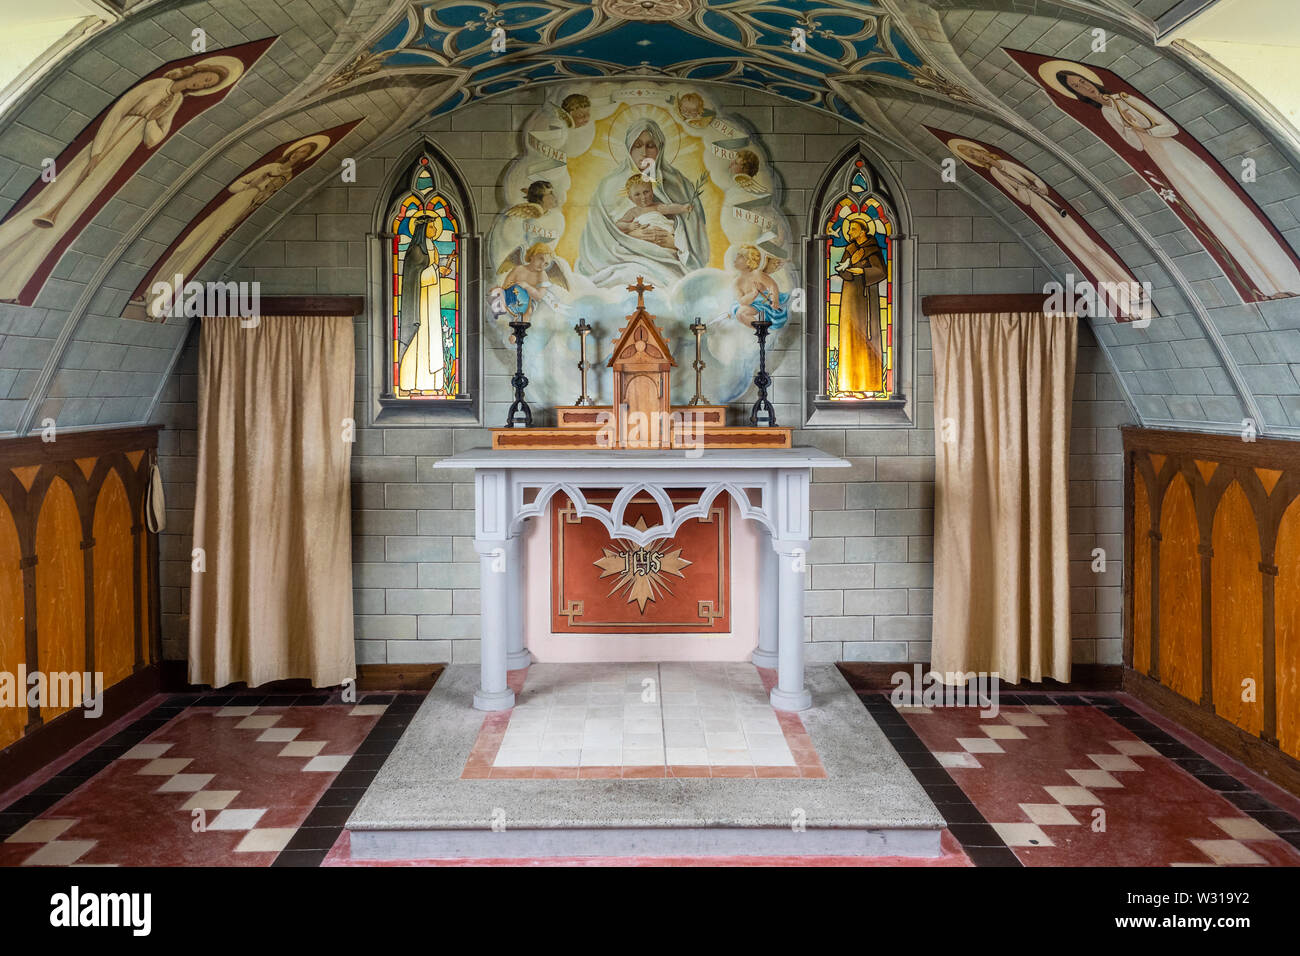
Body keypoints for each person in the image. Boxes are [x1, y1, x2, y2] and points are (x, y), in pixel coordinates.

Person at [0, 60, 237, 301]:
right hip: (104, 145)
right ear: (198, 71)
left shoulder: (175, 101)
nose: (202, 83)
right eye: (206, 78)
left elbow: (154, 139)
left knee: (66, 218)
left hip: (121, 153)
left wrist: (152, 120)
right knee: (46, 205)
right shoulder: (158, 84)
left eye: (208, 84)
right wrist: (97, 151)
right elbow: (117, 111)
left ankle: (10, 284)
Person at [1059, 67, 1300, 300]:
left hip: (1176, 152)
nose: (1083, 85)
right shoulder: (1106, 112)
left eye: (1082, 80)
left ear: (1090, 80)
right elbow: (1135, 145)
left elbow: (1169, 127)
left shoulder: (1125, 98)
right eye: (1076, 86)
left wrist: (1146, 128)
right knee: (1209, 216)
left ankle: (1287, 279)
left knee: (1227, 207)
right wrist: (1129, 128)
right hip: (1160, 159)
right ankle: (1266, 285)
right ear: (1077, 93)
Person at [577, 121, 709, 287]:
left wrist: (674, 242)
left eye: (650, 145)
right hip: (621, 259)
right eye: (637, 145)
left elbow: (696, 236)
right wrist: (632, 236)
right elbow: (597, 237)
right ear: (629, 148)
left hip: (669, 259)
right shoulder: (608, 185)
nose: (644, 152)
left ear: (659, 148)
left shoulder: (679, 184)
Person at [834, 214, 888, 395]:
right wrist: (844, 270)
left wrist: (862, 271)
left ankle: (866, 386)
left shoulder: (872, 248)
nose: (849, 231)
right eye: (849, 228)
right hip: (849, 296)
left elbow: (881, 271)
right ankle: (847, 386)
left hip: (865, 298)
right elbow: (845, 270)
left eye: (853, 228)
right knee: (848, 336)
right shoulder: (850, 248)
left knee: (865, 337)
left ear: (863, 230)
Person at [617, 175, 693, 264]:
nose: (643, 197)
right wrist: (629, 226)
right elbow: (618, 224)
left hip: (664, 236)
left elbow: (670, 208)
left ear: (652, 192)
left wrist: (683, 208)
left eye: (646, 192)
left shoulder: (657, 207)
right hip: (645, 241)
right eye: (637, 194)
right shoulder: (633, 212)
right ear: (630, 198)